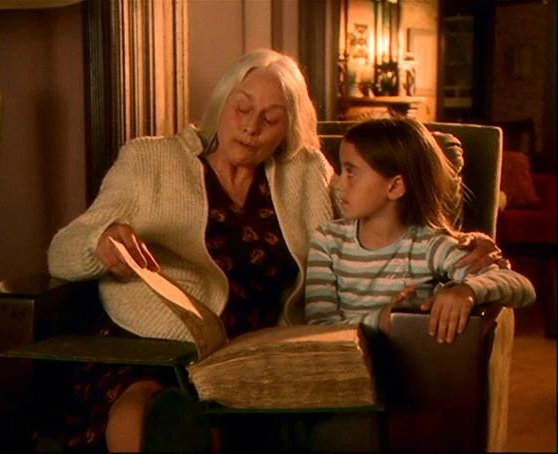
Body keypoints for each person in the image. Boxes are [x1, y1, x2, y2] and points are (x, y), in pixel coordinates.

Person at [47, 49, 504, 453]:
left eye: (271, 118)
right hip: (160, 343)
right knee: (142, 407)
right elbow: (62, 252)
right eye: (242, 108)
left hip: (262, 356)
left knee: (277, 415)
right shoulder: (149, 161)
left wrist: (462, 241)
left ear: (289, 127)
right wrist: (100, 240)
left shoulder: (306, 171)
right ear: (222, 103)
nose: (251, 127)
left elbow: (378, 216)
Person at [305, 118, 535, 343]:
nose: (339, 184)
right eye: (341, 170)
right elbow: (318, 328)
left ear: (395, 186)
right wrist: (384, 320)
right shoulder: (328, 241)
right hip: (343, 363)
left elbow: (522, 287)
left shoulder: (429, 246)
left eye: (351, 172)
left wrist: (467, 290)